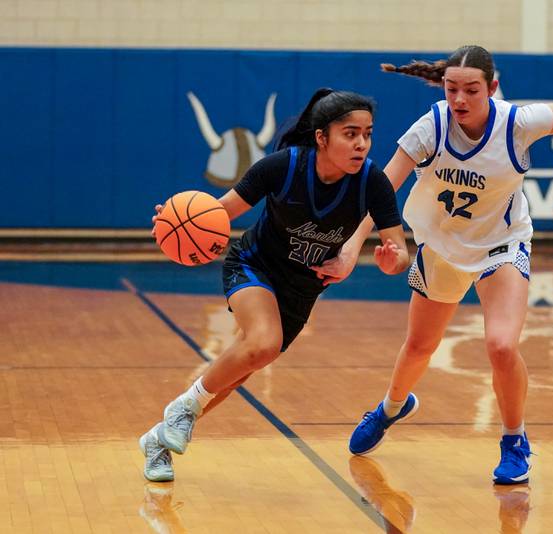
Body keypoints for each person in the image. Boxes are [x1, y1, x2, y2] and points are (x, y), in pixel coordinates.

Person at [313, 45, 553, 485]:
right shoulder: (432, 125)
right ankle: (391, 407)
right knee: (419, 347)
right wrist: (353, 247)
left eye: (471, 89)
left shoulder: (517, 123)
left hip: (501, 245)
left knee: (501, 346)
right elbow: (383, 187)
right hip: (442, 246)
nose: (459, 99)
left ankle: (514, 440)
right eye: (451, 89)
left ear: (492, 87)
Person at [139, 88, 410, 482]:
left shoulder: (373, 183)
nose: (361, 144)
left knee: (240, 370)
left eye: (367, 134)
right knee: (263, 343)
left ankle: (159, 440)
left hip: (302, 290)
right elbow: (220, 211)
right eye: (350, 134)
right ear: (322, 137)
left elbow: (399, 251)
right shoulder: (283, 167)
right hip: (255, 265)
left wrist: (391, 259)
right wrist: (175, 220)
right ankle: (181, 410)